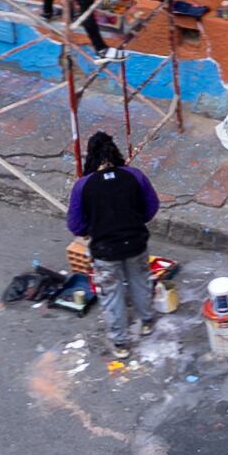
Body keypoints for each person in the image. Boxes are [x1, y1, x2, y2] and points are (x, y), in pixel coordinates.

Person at [66, 132, 161, 356]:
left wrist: (92, 229)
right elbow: (151, 207)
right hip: (136, 242)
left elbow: (76, 225)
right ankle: (147, 321)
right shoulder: (134, 175)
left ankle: (120, 343)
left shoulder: (83, 186)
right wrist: (134, 220)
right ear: (114, 151)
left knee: (112, 293)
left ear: (91, 157)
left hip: (104, 250)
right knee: (139, 280)